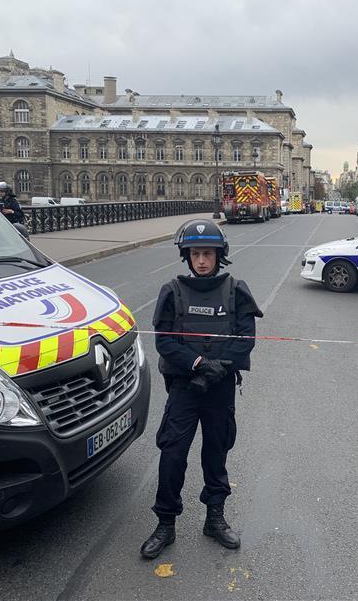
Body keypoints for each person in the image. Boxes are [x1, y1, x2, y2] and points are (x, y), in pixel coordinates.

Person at [141, 219, 263, 560]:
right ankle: (165, 523)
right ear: (187, 256)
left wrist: (217, 369)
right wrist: (197, 365)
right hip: (185, 388)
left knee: (216, 454)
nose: (202, 260)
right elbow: (165, 342)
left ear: (219, 255)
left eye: (208, 253)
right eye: (196, 254)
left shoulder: (236, 291)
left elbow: (244, 341)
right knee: (172, 455)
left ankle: (215, 518)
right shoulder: (173, 291)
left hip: (220, 389)